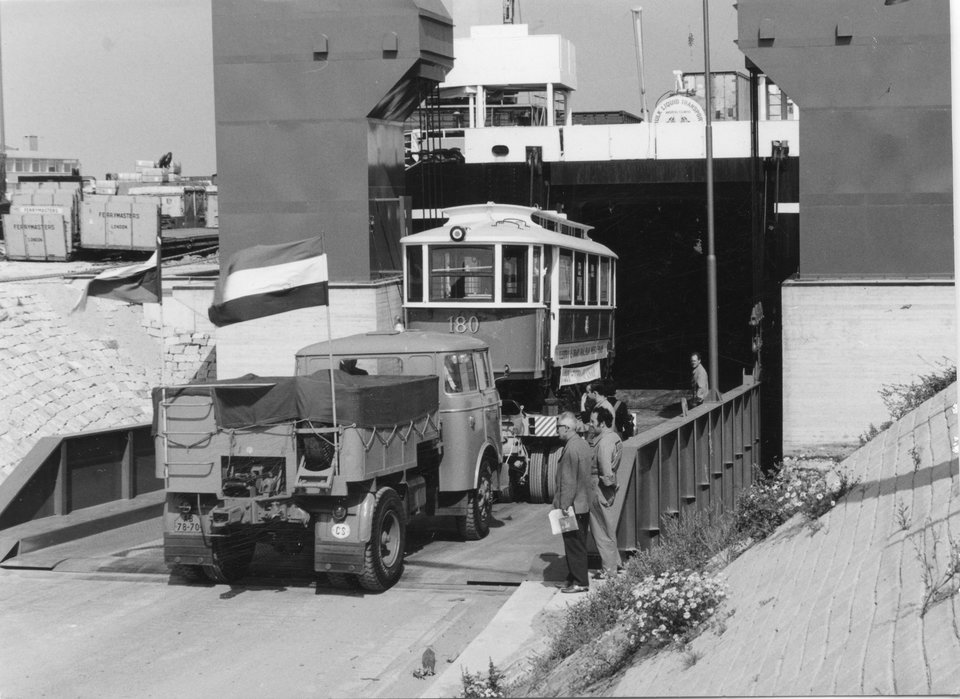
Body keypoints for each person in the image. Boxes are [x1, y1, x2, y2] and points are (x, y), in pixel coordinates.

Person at [553, 411, 595, 594]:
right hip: (582, 503)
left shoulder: (570, 449)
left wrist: (563, 507)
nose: (557, 432)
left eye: (558, 428)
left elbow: (568, 481)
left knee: (573, 544)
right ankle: (573, 578)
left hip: (570, 507)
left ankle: (580, 582)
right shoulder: (582, 444)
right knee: (577, 542)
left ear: (567, 428)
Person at [588, 406, 623, 579]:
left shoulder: (603, 443)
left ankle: (609, 570)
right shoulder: (615, 438)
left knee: (601, 531)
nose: (590, 424)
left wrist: (610, 484)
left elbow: (606, 471)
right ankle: (615, 563)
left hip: (598, 488)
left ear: (602, 423)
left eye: (593, 422)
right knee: (607, 527)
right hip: (605, 490)